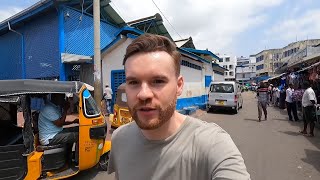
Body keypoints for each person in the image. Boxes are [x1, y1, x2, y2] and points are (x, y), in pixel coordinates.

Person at [107, 34, 250, 179]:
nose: (143, 94)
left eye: (157, 81)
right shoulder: (120, 138)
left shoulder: (213, 144)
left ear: (179, 85)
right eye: (133, 82)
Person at [38, 93, 79, 163]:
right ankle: (78, 160)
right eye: (61, 98)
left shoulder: (54, 107)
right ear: (55, 98)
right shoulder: (49, 109)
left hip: (56, 133)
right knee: (78, 136)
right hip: (50, 138)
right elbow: (59, 124)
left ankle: (68, 157)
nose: (63, 100)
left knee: (78, 129)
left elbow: (60, 121)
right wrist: (65, 110)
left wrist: (73, 122)